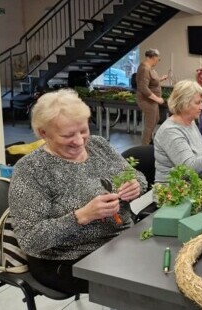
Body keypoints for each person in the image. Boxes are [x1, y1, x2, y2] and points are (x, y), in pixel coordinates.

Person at [8, 89, 147, 295]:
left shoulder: (98, 145)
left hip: (120, 242)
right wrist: (83, 216)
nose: (80, 141)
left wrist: (135, 185)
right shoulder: (31, 169)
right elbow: (30, 239)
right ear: (43, 133)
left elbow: (139, 178)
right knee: (146, 285)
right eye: (67, 135)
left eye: (83, 131)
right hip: (66, 260)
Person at [136, 48, 168, 145]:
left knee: (156, 119)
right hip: (146, 101)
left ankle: (149, 140)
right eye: (158, 59)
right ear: (153, 57)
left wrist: (161, 79)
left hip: (152, 101)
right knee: (149, 125)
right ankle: (145, 146)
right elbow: (143, 88)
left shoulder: (149, 68)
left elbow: (152, 81)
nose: (158, 61)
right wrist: (158, 99)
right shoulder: (144, 69)